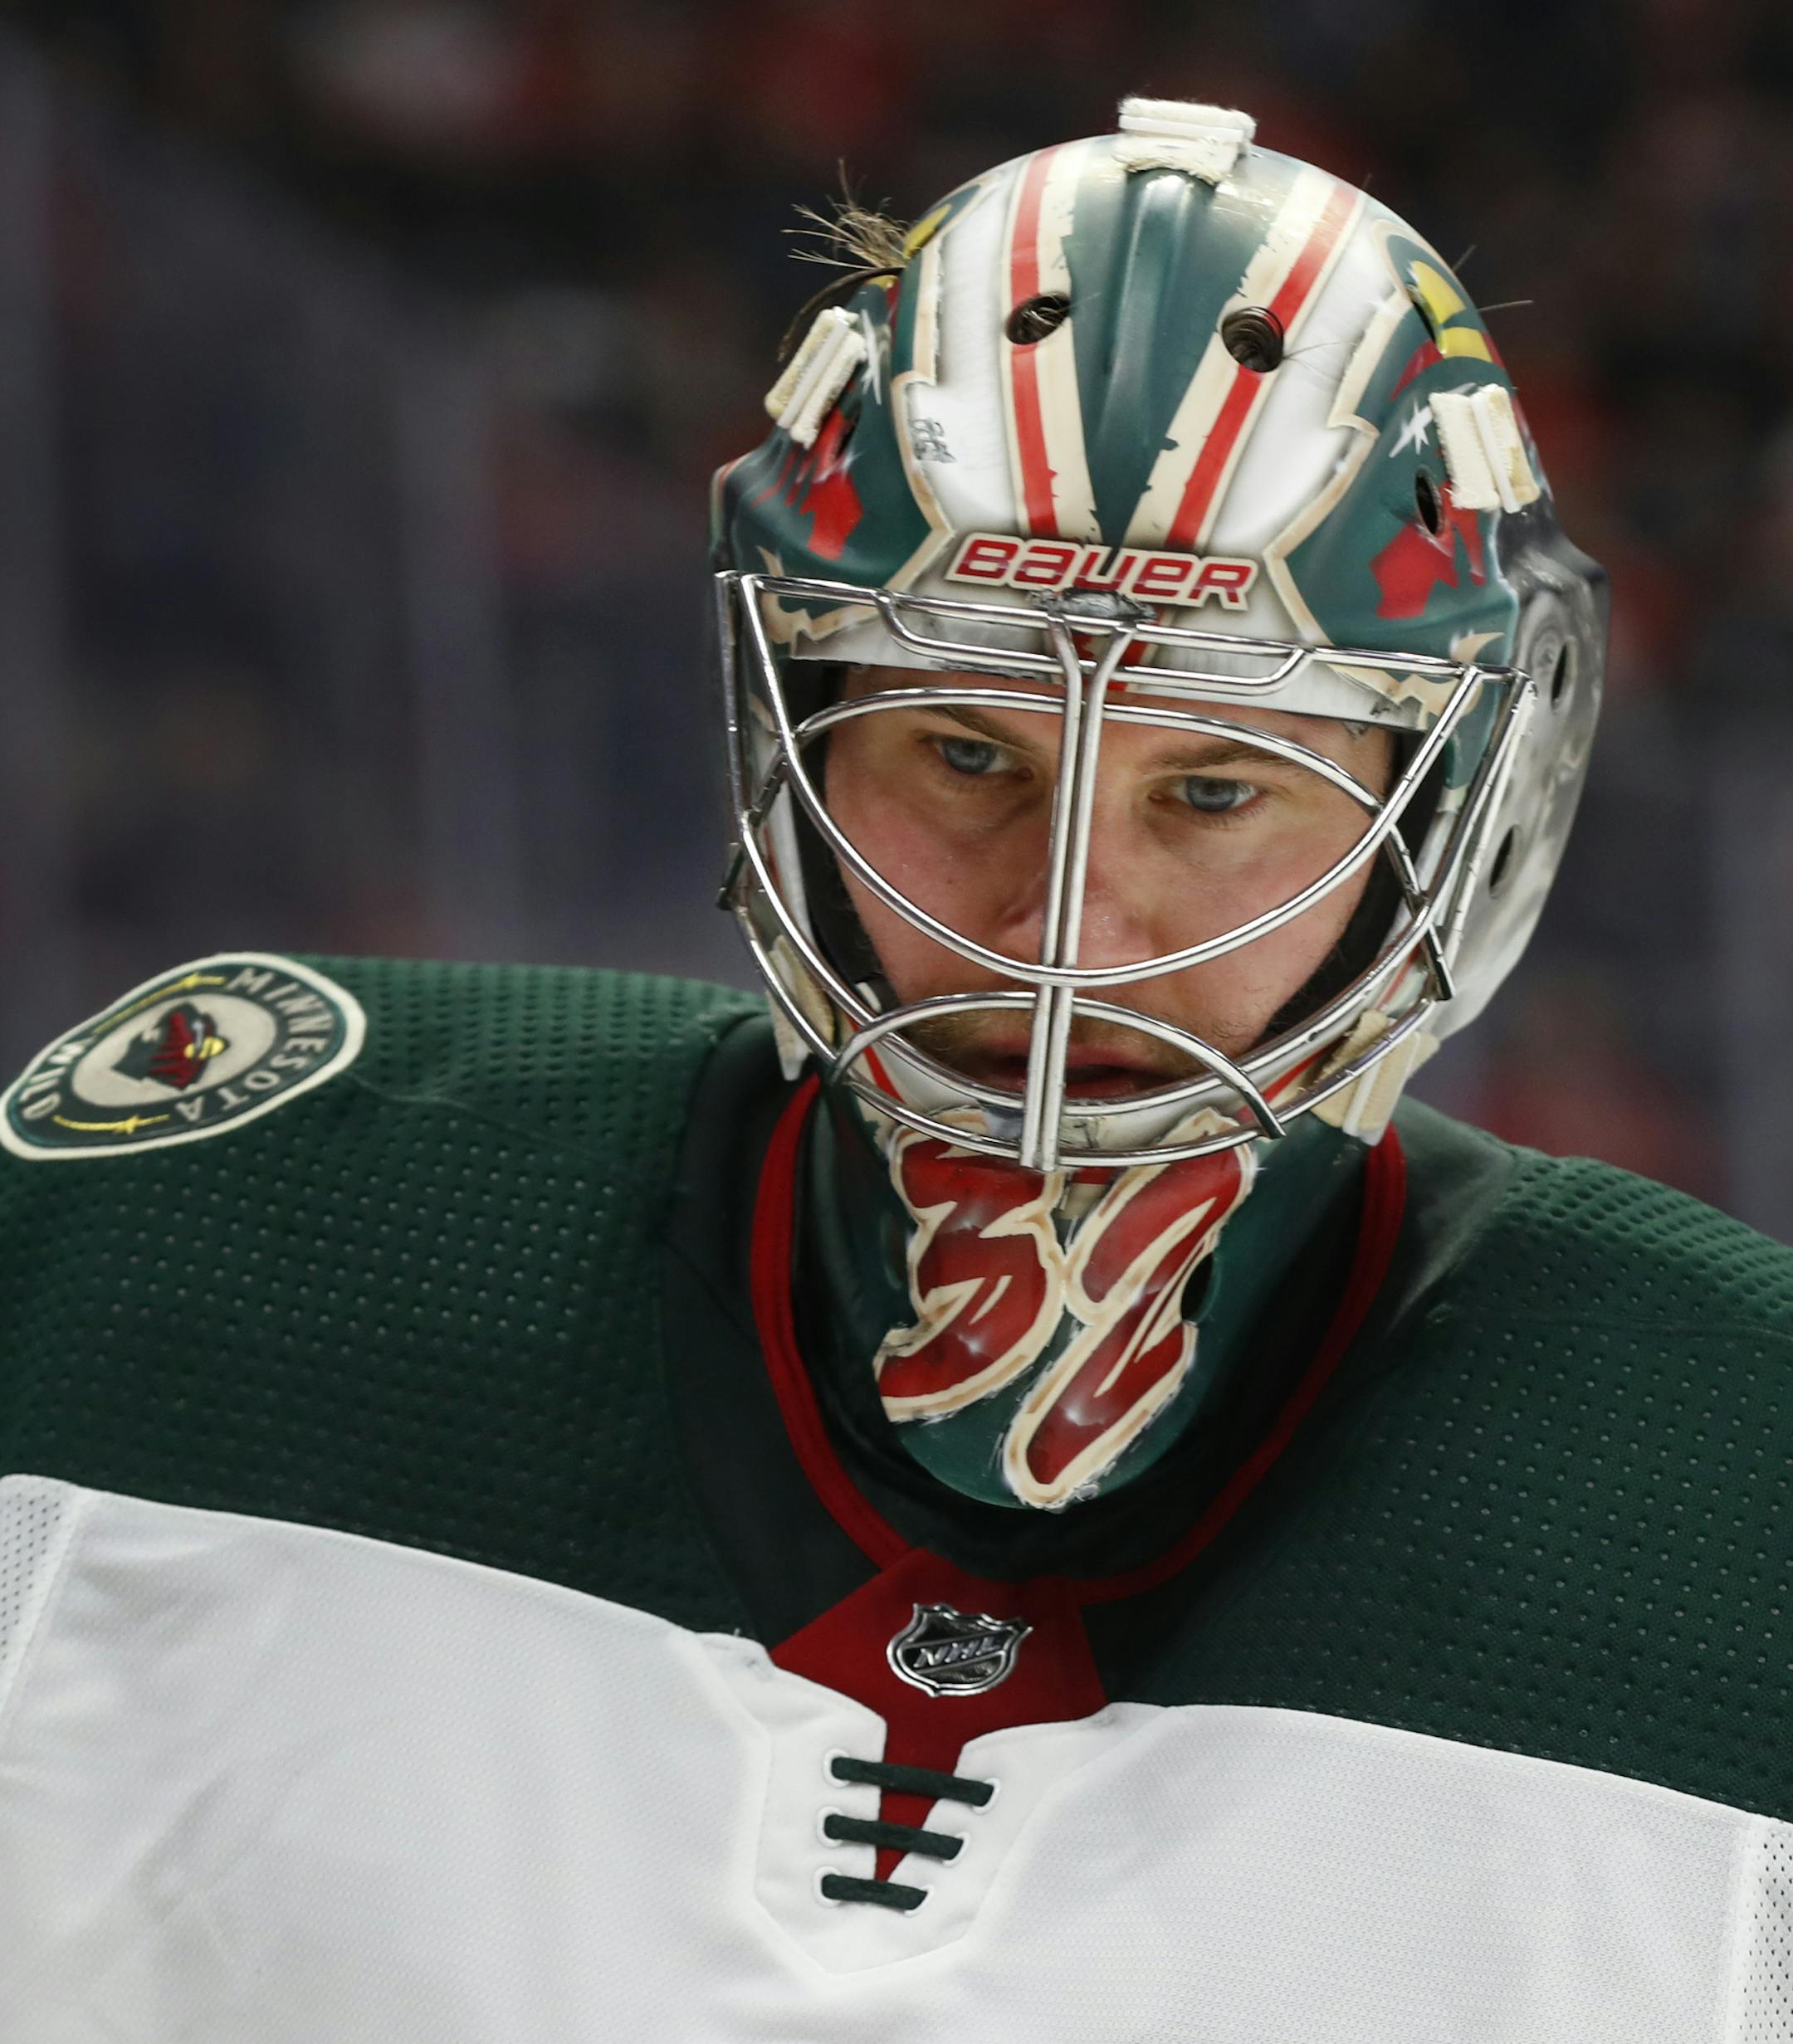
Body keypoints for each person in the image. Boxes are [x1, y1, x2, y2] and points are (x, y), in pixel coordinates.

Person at [2, 95, 1790, 2043]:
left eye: (1213, 787)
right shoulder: (206, 1230)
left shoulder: (1730, 1498)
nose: (1064, 919)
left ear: (1445, 818)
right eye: (963, 753)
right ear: (799, 735)